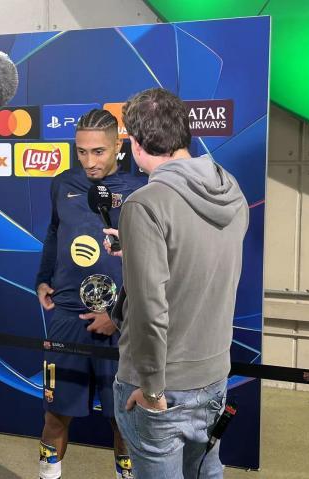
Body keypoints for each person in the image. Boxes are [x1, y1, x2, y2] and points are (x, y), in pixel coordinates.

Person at [104, 88, 249, 479]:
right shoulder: (231, 189)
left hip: (161, 387)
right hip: (214, 376)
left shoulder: (145, 203)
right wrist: (137, 249)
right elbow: (203, 261)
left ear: (136, 145)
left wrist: (151, 390)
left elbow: (149, 311)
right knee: (207, 473)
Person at [35, 109, 144, 479]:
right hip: (67, 317)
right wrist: (43, 278)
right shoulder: (62, 184)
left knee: (124, 420)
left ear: (118, 146)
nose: (89, 161)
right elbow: (54, 232)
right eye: (81, 151)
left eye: (98, 151)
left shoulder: (141, 189)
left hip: (119, 324)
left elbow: (153, 262)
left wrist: (118, 315)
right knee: (54, 416)